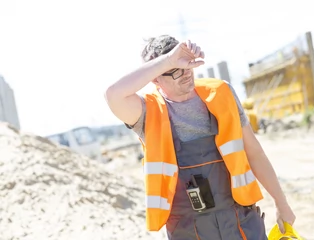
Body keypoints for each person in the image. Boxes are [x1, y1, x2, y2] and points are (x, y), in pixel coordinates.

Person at [104, 35, 296, 240]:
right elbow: (113, 95)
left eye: (186, 64)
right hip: (188, 231)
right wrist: (169, 60)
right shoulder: (147, 112)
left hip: (241, 223)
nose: (185, 73)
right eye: (174, 70)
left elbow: (254, 152)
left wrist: (281, 203)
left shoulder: (221, 94)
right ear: (155, 77)